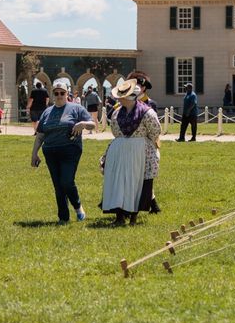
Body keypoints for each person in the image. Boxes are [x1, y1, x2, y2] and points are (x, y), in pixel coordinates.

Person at [30, 77, 93, 223]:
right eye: (56, 93)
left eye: (62, 93)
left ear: (67, 94)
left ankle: (78, 208)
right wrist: (34, 153)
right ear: (53, 94)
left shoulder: (76, 108)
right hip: (50, 151)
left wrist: (82, 123)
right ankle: (63, 218)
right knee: (58, 186)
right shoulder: (47, 112)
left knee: (66, 181)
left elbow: (92, 124)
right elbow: (40, 135)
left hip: (70, 149)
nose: (59, 96)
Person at [101, 79, 162, 225]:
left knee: (137, 182)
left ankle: (133, 216)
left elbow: (155, 131)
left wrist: (141, 143)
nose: (119, 100)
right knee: (119, 182)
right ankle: (120, 216)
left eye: (121, 97)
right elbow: (115, 132)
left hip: (139, 151)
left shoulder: (147, 112)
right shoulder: (116, 113)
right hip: (121, 151)